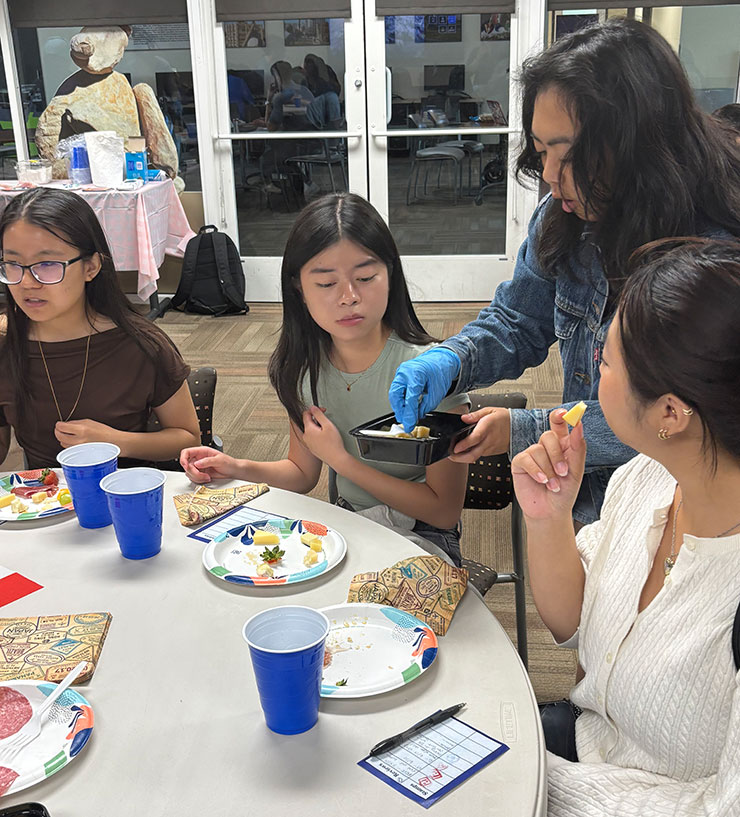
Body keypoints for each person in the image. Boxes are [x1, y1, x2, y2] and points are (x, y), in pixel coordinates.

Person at [388, 18, 740, 525]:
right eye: (540, 149)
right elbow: (518, 320)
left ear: (639, 141)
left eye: (568, 153)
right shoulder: (568, 216)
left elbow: (678, 420)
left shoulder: (714, 257)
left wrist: (528, 431)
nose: (550, 176)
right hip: (586, 499)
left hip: (687, 516)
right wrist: (451, 359)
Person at [510, 237, 740, 815]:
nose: (592, 367)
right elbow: (573, 625)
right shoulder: (646, 479)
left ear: (669, 412)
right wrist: (550, 519)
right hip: (579, 750)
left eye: (606, 360)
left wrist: (544, 783)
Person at [180, 193, 468, 565]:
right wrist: (236, 467)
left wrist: (343, 461)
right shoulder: (303, 368)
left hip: (422, 534)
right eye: (326, 284)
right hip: (347, 522)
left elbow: (443, 512)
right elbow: (302, 473)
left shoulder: (431, 371)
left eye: (365, 277)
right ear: (299, 289)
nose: (349, 297)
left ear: (390, 274)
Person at [0, 188, 200, 468]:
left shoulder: (139, 344)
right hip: (42, 503)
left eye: (47, 264)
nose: (27, 282)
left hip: (125, 497)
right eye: (12, 264)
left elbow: (188, 438)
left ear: (91, 267)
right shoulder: (6, 342)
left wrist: (115, 440)